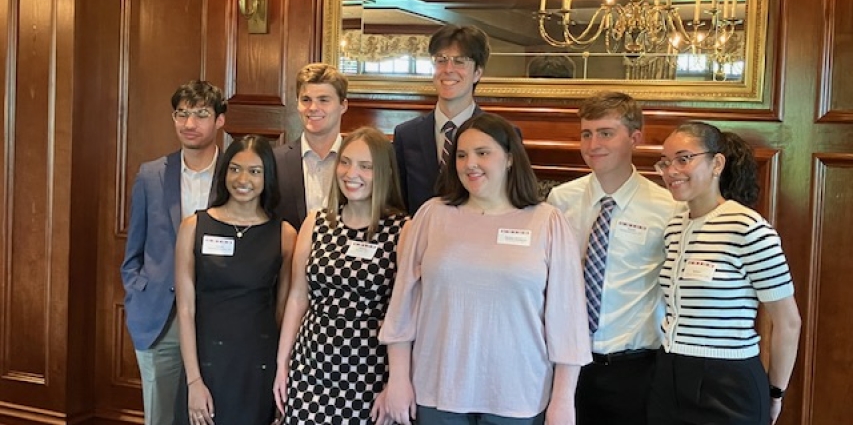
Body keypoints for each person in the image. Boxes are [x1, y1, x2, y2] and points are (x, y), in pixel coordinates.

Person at [380, 113, 592, 425]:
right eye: (462, 155)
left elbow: (567, 320)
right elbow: (403, 305)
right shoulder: (432, 215)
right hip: (439, 389)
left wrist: (563, 400)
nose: (470, 164)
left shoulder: (548, 221)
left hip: (518, 395)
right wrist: (398, 379)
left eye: (483, 153)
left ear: (509, 158)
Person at [649, 122, 801, 425]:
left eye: (683, 159)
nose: (671, 171)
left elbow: (788, 321)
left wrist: (776, 391)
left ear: (717, 163)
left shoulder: (748, 228)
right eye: (665, 162)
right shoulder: (675, 227)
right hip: (669, 374)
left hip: (728, 381)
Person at [546, 92, 681, 425]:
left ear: (635, 138)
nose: (593, 144)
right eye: (586, 134)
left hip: (635, 369)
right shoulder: (560, 200)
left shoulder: (667, 207)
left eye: (606, 133)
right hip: (567, 363)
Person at [273, 127, 409, 424]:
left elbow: (405, 312)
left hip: (370, 369)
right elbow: (297, 297)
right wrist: (282, 363)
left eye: (365, 166)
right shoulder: (316, 222)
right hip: (311, 363)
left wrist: (396, 381)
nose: (351, 173)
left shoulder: (403, 229)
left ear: (384, 172)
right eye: (345, 162)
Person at [120, 80, 226, 425]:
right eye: (182, 114)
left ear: (220, 120)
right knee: (161, 416)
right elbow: (133, 249)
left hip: (217, 315)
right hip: (159, 318)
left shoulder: (237, 175)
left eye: (200, 114)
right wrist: (137, 290)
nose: (189, 124)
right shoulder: (152, 175)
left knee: (214, 412)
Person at [174, 135, 297, 425]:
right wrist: (194, 381)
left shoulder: (285, 235)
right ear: (224, 171)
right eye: (235, 168)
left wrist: (282, 379)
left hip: (258, 366)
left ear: (268, 177)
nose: (243, 179)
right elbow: (185, 310)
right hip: (206, 363)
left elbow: (282, 313)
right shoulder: (194, 226)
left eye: (255, 171)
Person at [393, 24, 490, 215]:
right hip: (421, 239)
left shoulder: (499, 134)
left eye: (460, 61)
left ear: (477, 72)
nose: (448, 69)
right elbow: (399, 202)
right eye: (441, 60)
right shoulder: (406, 135)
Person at [274, 63, 349, 229]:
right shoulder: (274, 161)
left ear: (343, 106)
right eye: (306, 100)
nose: (313, 108)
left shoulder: (361, 164)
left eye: (323, 100)